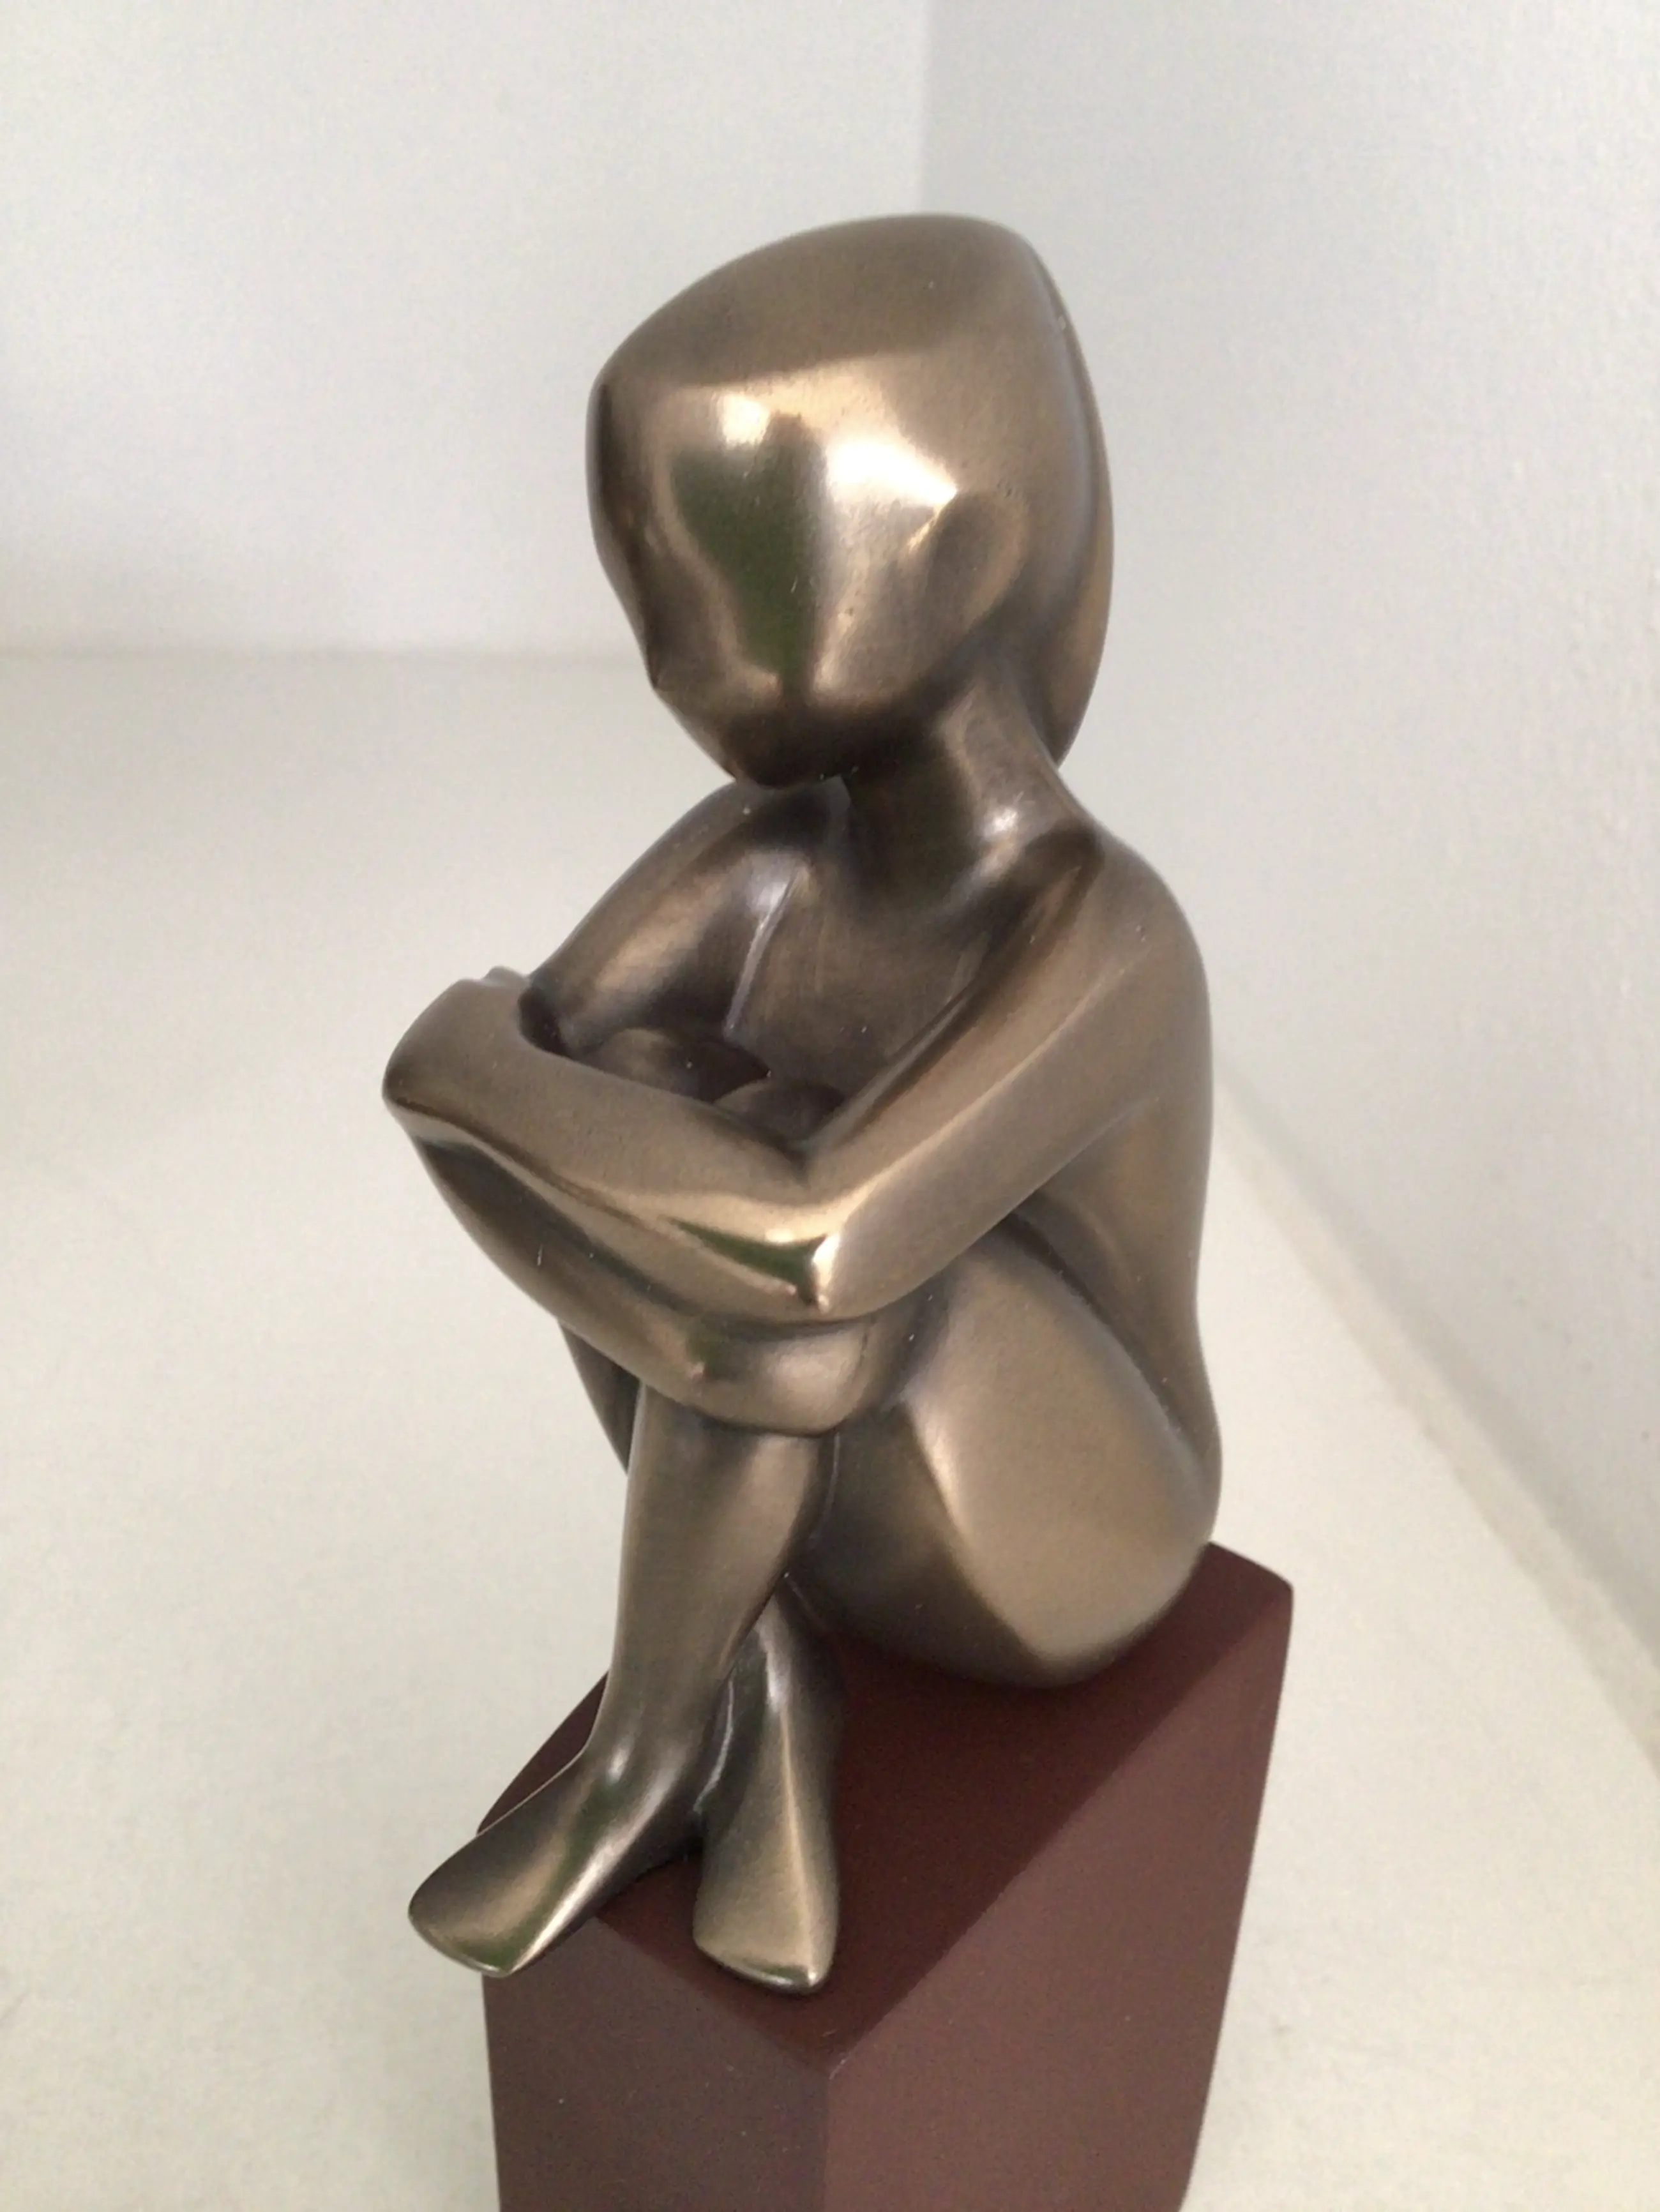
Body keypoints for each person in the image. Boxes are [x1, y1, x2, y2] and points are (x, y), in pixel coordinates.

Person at [383, 215, 1219, 1993]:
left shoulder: (1100, 936)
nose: (665, 659)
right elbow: (549, 1074)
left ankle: (645, 1754)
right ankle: (752, 1674)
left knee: (788, 1243)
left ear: (954, 553)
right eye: (653, 600)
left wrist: (468, 1065)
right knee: (660, 1119)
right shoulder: (769, 859)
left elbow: (804, 1242)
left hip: (1079, 1528)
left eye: (722, 594)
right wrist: (499, 1080)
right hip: (834, 1450)